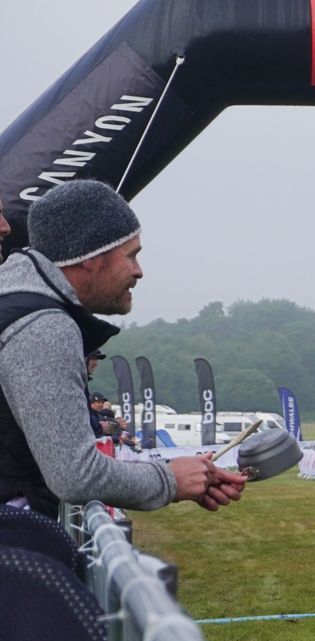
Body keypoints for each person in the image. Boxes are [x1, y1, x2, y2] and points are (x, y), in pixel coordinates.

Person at [0, 179, 245, 517]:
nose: (138, 271)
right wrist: (170, 479)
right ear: (90, 258)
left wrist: (181, 473)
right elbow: (76, 474)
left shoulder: (18, 305)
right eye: (131, 256)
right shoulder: (42, 326)